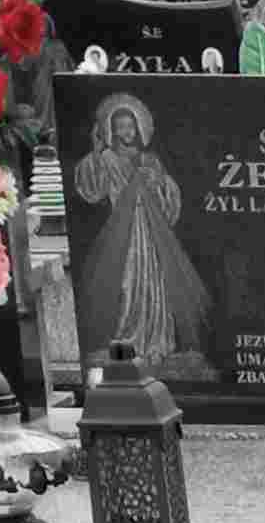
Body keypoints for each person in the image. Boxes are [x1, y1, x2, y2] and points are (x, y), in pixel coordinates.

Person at [66, 94, 212, 378]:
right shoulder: (106, 158)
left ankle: (156, 339)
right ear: (110, 130)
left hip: (153, 229)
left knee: (157, 282)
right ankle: (128, 338)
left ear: (139, 128)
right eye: (120, 126)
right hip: (123, 231)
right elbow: (92, 189)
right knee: (127, 281)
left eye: (130, 126)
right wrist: (95, 152)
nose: (126, 132)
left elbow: (169, 193)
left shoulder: (149, 159)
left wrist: (158, 182)